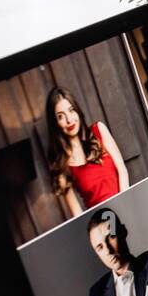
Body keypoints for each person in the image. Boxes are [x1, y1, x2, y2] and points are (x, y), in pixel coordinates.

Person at [45, 86, 129, 215]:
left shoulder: (99, 130)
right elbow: (77, 213)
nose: (69, 119)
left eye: (71, 110)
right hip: (103, 225)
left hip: (127, 204)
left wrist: (125, 209)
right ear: (55, 123)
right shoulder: (63, 167)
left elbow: (122, 171)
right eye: (61, 116)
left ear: (77, 111)